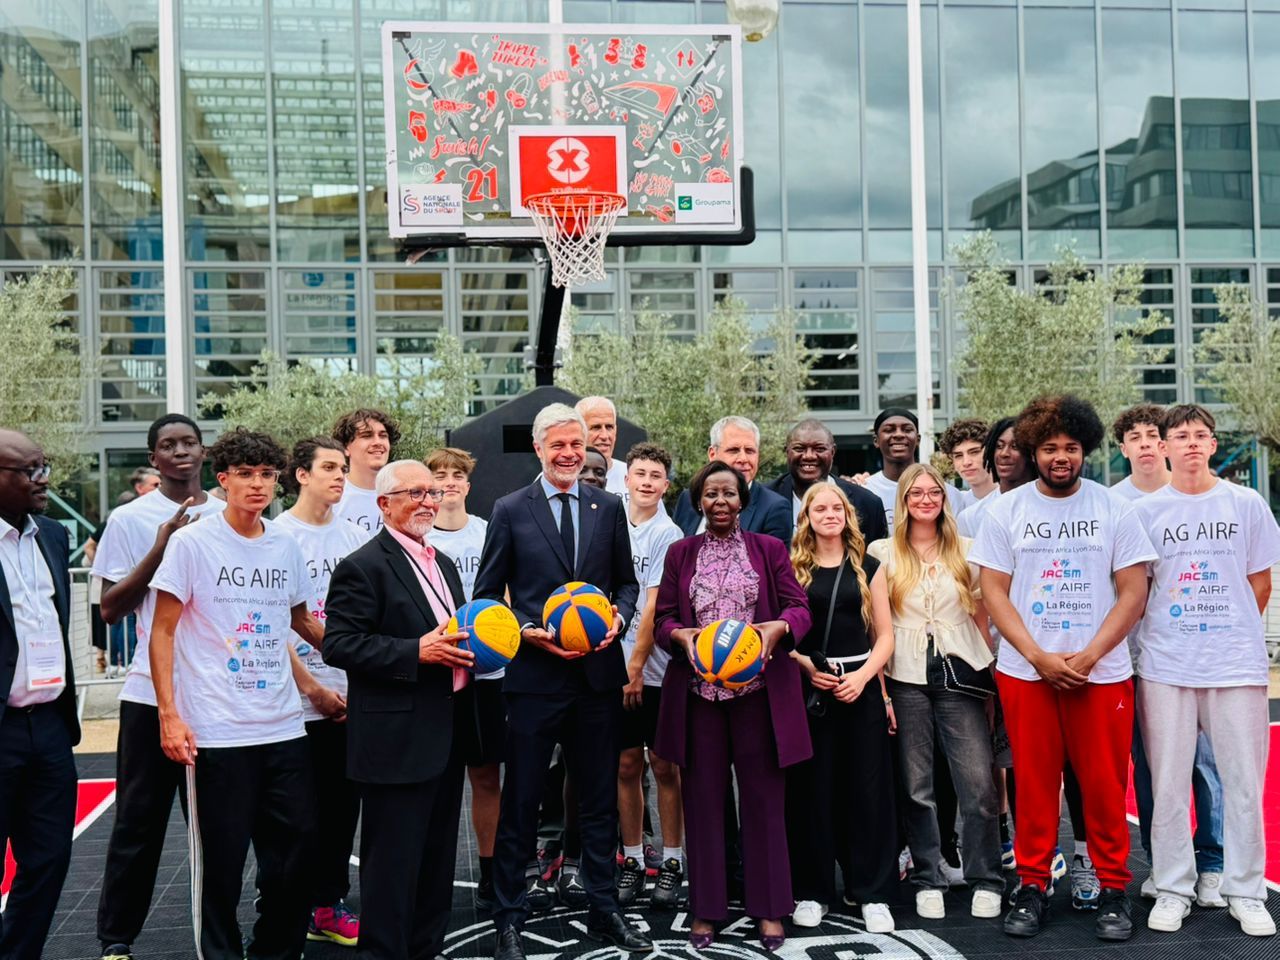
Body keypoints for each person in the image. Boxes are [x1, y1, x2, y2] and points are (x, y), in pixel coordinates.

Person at [149, 428, 343, 960]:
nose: (258, 485)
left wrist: (375, 654)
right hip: (217, 731)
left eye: (266, 475)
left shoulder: (284, 543)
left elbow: (303, 620)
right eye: (246, 475)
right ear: (224, 479)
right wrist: (169, 715)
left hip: (284, 726)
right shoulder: (192, 543)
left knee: (299, 851)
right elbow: (161, 631)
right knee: (223, 866)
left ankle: (273, 952)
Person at [970, 395, 1155, 942]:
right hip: (1028, 673)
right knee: (1032, 783)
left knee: (1102, 785)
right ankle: (1031, 885)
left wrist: (1092, 653)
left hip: (1101, 672)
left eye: (1070, 448)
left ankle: (1114, 887)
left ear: (1085, 451)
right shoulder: (1006, 511)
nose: (1060, 457)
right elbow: (994, 593)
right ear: (1033, 449)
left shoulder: (1116, 509)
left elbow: (1133, 590)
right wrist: (1037, 655)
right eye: (1049, 448)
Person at [473, 403, 646, 960]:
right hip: (534, 679)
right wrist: (526, 630)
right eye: (560, 445)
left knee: (597, 802)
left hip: (596, 679)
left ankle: (604, 909)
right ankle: (509, 916)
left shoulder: (609, 505)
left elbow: (626, 583)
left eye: (578, 444)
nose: (571, 453)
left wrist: (617, 618)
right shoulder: (509, 508)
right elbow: (487, 593)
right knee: (522, 802)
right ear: (540, 448)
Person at [653, 461, 812, 951]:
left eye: (729, 493)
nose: (720, 501)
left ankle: (768, 909)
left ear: (742, 500)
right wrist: (679, 635)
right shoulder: (681, 553)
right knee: (703, 802)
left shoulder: (768, 550)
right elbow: (663, 618)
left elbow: (799, 606)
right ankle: (707, 908)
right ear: (699, 502)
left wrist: (777, 629)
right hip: (700, 696)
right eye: (710, 494)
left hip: (758, 696)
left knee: (764, 801)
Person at [1133, 405, 1279, 937]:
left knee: (1242, 784)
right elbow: (1140, 588)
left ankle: (1246, 891)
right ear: (1165, 446)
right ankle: (1172, 888)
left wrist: (1225, 630)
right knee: (1168, 784)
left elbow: (1258, 583)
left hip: (1235, 665)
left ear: (1213, 445)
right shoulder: (1147, 513)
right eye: (1181, 436)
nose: (1191, 443)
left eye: (1200, 435)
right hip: (1166, 666)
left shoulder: (1246, 503)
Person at [323, 460, 474, 960]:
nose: (428, 501)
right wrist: (416, 652)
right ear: (384, 504)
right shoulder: (362, 565)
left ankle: (426, 950)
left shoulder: (443, 563)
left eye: (432, 492)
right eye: (415, 492)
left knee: (435, 867)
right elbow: (340, 645)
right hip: (394, 744)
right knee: (390, 871)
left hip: (445, 733)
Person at [92, 414, 226, 960]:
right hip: (150, 695)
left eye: (188, 442)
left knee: (217, 828)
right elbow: (109, 608)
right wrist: (162, 543)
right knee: (138, 823)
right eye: (167, 445)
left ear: (203, 451)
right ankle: (116, 940)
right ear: (153, 459)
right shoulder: (129, 519)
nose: (179, 451)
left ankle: (219, 937)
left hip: (218, 696)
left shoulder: (230, 513)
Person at [867, 464, 1004, 923]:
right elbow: (875, 630)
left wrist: (991, 685)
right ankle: (928, 875)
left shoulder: (968, 550)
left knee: (979, 784)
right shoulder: (881, 552)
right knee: (916, 785)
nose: (926, 500)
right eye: (916, 494)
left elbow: (982, 617)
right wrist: (882, 691)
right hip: (904, 676)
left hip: (961, 672)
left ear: (945, 500)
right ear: (903, 501)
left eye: (934, 493)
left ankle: (986, 877)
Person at [1110, 404, 1225, 906]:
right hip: (1136, 661)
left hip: (1197, 655)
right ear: (1123, 448)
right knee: (1153, 766)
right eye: (1132, 436)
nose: (1144, 443)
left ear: (1165, 444)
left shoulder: (1210, 499)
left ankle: (1215, 862)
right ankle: (1164, 864)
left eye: (1151, 435)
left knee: (1205, 764)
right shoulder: (1114, 504)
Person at [787, 484, 897, 933]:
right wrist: (805, 669)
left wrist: (866, 679)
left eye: (837, 508)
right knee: (813, 793)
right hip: (812, 690)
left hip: (860, 686)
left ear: (848, 516)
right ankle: (814, 891)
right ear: (807, 517)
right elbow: (779, 634)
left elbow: (885, 636)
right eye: (820, 508)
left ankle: (871, 893)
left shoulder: (869, 566)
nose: (829, 514)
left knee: (868, 794)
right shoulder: (793, 569)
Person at [274, 438, 370, 947]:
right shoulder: (278, 535)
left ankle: (327, 906)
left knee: (340, 812)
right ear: (300, 475)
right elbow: (281, 625)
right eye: (328, 467)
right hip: (293, 702)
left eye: (341, 467)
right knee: (296, 819)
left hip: (348, 695)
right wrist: (310, 687)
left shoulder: (356, 536)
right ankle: (285, 909)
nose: (339, 476)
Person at [0, 430, 78, 960]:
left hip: (50, 726)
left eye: (43, 466)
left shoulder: (52, 534)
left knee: (49, 859)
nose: (42, 478)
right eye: (29, 471)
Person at [426, 447, 502, 914]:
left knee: (487, 775)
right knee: (437, 782)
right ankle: (430, 873)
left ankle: (493, 873)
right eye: (440, 475)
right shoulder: (419, 538)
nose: (449, 481)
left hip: (488, 672)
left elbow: (507, 593)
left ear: (468, 486)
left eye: (457, 475)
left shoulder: (488, 532)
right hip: (437, 674)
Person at [616, 443, 685, 909]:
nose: (645, 481)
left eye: (655, 475)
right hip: (611, 666)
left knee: (663, 765)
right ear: (627, 479)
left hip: (654, 669)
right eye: (638, 472)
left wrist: (636, 669)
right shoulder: (609, 521)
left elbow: (653, 608)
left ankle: (674, 859)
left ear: (665, 485)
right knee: (624, 765)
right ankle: (635, 858)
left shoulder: (670, 532)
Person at [766, 418, 888, 544]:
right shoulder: (764, 499)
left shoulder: (867, 503)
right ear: (787, 452)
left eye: (819, 449)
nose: (809, 456)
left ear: (833, 452)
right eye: (799, 449)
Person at [673, 417, 790, 543]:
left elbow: (773, 561)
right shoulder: (688, 499)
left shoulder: (774, 508)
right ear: (712, 454)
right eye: (733, 450)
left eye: (750, 451)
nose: (743, 459)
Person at [862, 409, 962, 532]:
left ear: (918, 439)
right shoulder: (865, 491)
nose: (898, 435)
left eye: (907, 430)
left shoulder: (946, 493)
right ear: (876, 440)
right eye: (889, 430)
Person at [957, 417, 1035, 540]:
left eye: (1015, 446)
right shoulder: (970, 517)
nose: (1004, 453)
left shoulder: (1054, 504)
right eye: (999, 446)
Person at [331, 409, 398, 534]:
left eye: (383, 436)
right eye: (367, 436)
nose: (378, 442)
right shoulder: (331, 496)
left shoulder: (404, 493)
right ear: (345, 447)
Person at [576, 396, 629, 496]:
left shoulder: (635, 475)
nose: (605, 436)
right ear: (578, 431)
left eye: (609, 427)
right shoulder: (558, 477)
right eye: (596, 427)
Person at [939, 419, 995, 511]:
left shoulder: (1015, 498)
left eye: (974, 452)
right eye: (958, 455)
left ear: (991, 452)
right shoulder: (955, 506)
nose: (966, 462)